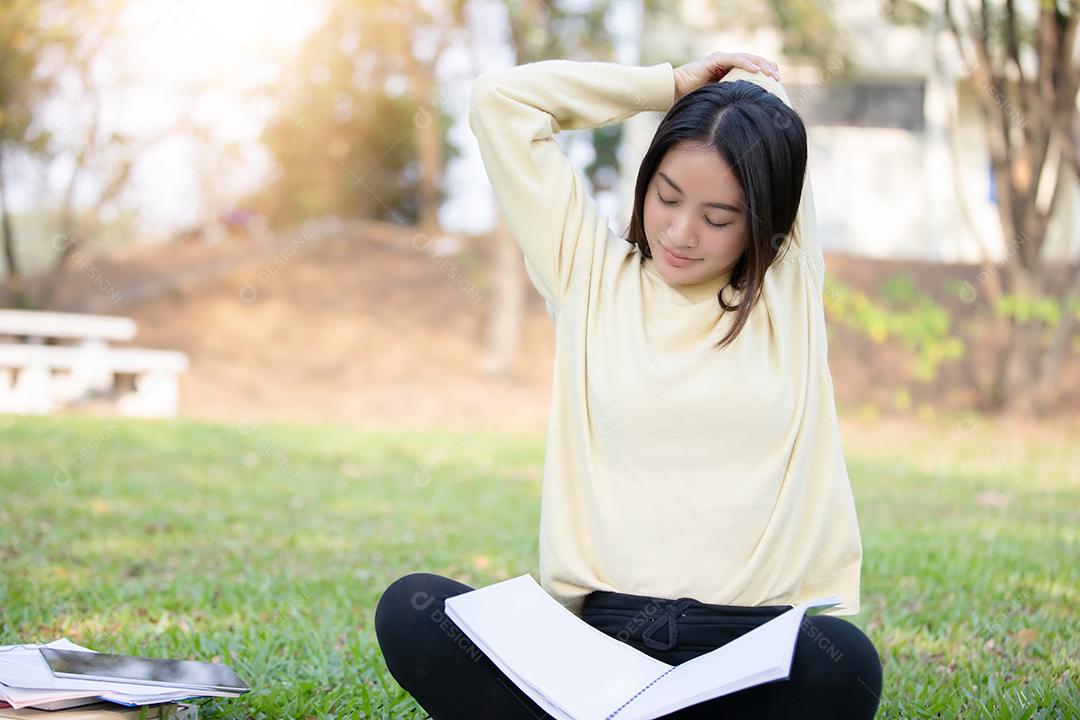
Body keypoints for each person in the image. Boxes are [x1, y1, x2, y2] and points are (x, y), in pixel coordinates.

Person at [375, 51, 884, 718]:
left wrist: (741, 90)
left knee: (841, 663)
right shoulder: (586, 274)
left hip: (749, 641)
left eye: (719, 216)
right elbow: (501, 102)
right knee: (414, 609)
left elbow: (765, 97)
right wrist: (665, 86)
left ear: (766, 221)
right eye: (666, 197)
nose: (679, 231)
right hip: (600, 640)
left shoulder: (785, 290)